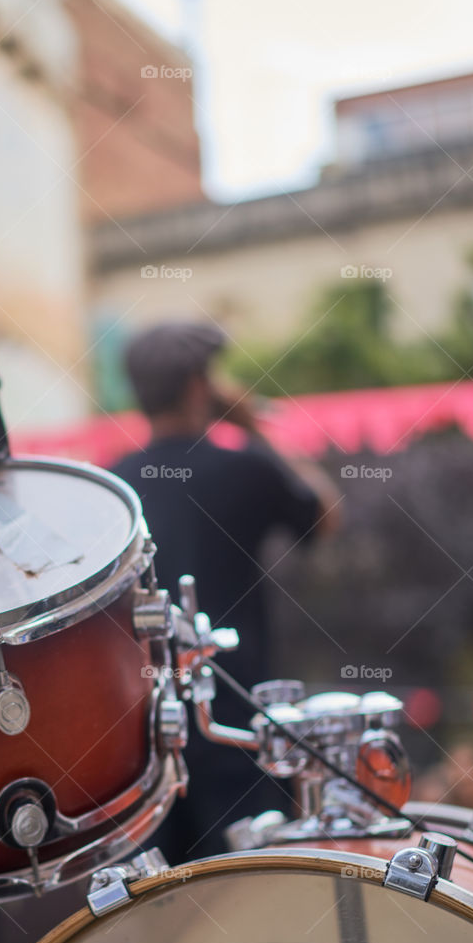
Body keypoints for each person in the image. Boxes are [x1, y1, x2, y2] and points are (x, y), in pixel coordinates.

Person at [111, 320, 340, 862]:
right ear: (200, 386)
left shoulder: (115, 488)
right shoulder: (246, 468)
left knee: (158, 904)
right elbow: (326, 513)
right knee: (252, 892)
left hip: (140, 741)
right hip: (237, 727)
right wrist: (254, 426)